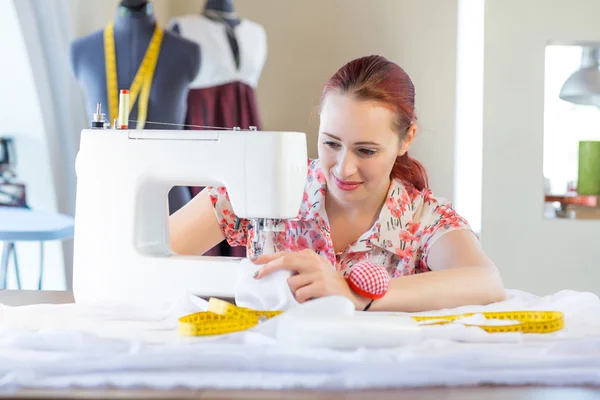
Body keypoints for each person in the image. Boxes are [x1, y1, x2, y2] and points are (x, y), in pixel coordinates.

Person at [169, 55, 506, 312]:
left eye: (366, 150)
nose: (344, 169)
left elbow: (486, 281)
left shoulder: (423, 220)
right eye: (331, 143)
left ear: (407, 139)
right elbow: (147, 259)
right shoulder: (267, 186)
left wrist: (356, 293)